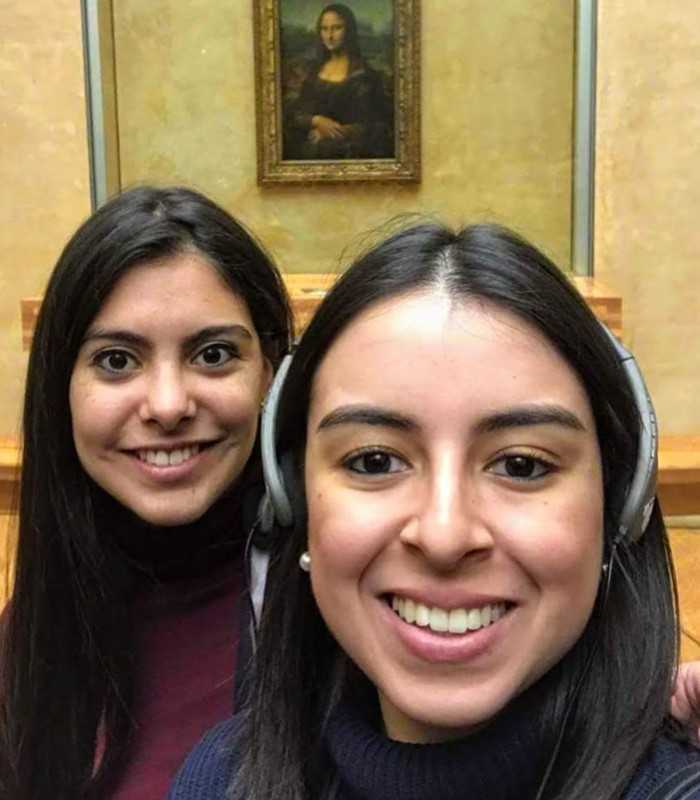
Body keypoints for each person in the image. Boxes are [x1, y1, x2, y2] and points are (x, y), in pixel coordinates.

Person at [169, 222, 700, 800]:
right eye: (374, 461)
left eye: (521, 465)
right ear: (295, 499)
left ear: (619, 502)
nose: (445, 536)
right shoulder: (220, 779)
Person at [0, 186, 293, 800]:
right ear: (61, 387)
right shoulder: (30, 631)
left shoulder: (337, 608)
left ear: (270, 371)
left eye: (213, 354)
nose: (167, 405)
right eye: (116, 361)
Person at [283, 3, 393, 160]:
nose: (329, 35)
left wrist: (336, 132)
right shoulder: (313, 71)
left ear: (349, 31)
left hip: (349, 154)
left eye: (337, 28)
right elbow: (295, 113)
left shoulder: (365, 76)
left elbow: (376, 125)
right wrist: (316, 121)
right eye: (324, 29)